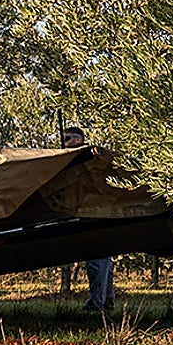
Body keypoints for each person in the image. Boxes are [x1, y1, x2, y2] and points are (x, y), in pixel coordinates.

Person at [61, 125, 116, 310]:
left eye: (67, 139)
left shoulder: (87, 158)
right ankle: (107, 299)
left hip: (94, 214)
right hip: (99, 212)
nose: (64, 143)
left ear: (77, 140)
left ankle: (97, 303)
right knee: (103, 260)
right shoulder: (84, 159)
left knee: (96, 260)